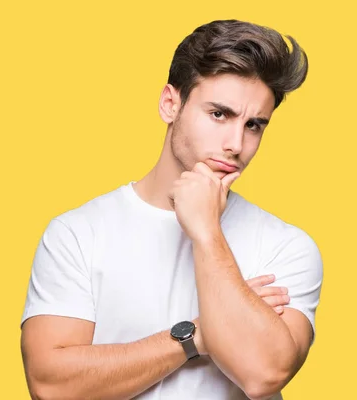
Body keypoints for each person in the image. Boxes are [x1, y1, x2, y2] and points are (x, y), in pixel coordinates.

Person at [19, 19, 323, 400]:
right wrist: (196, 336)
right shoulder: (78, 234)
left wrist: (207, 231)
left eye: (254, 125)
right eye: (219, 114)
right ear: (170, 104)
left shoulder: (287, 246)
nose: (236, 143)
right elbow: (51, 386)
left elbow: (264, 373)